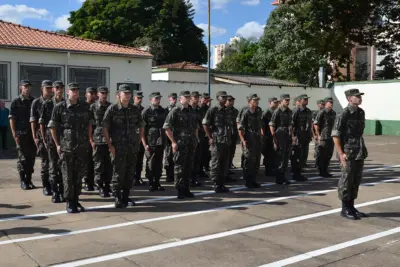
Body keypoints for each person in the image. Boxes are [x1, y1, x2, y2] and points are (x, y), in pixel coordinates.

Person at [48, 82, 92, 213]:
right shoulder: (60, 107)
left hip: (82, 146)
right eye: (72, 90)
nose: (75, 92)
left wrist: (89, 140)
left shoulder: (85, 106)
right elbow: (53, 127)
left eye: (77, 90)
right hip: (67, 147)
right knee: (67, 175)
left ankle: (76, 199)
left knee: (79, 175)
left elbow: (90, 124)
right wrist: (57, 145)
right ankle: (69, 202)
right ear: (67, 92)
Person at [102, 84, 145, 208]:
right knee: (118, 173)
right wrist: (110, 145)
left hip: (132, 146)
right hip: (118, 147)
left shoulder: (135, 109)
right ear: (119, 94)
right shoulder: (112, 109)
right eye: (124, 93)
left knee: (129, 173)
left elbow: (141, 124)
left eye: (128, 93)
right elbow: (105, 127)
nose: (127, 95)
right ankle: (117, 197)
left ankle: (126, 196)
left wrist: (138, 140)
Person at [332, 89, 368, 220]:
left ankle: (352, 207)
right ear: (349, 98)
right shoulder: (344, 113)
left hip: (358, 151)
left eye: (360, 96)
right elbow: (335, 135)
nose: (359, 98)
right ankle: (345, 208)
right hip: (347, 151)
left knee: (355, 179)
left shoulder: (360, 112)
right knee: (346, 180)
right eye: (357, 96)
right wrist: (341, 153)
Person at [163, 90, 198, 199]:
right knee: (179, 168)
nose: (187, 99)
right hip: (180, 144)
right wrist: (173, 142)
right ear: (180, 99)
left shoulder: (192, 111)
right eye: (185, 97)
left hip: (190, 144)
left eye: (188, 97)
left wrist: (196, 139)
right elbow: (167, 127)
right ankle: (180, 190)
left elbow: (196, 126)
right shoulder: (176, 111)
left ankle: (187, 189)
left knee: (188, 167)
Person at [40, 81, 65, 203]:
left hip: (65, 140)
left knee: (64, 166)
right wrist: (43, 139)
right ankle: (55, 191)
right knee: (53, 166)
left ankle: (63, 190)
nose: (59, 90)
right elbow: (42, 123)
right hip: (51, 140)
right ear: (53, 90)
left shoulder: (66, 104)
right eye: (57, 88)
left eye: (61, 88)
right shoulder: (47, 104)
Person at [203, 91, 232, 193]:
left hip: (226, 140)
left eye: (225, 97)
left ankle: (221, 183)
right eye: (222, 97)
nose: (224, 99)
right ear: (218, 98)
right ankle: (216, 183)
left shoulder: (227, 110)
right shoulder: (213, 109)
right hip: (217, 140)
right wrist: (210, 137)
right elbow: (205, 124)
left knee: (224, 163)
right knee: (216, 162)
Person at [9, 80, 36, 190]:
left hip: (32, 135)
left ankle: (29, 180)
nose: (27, 89)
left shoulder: (34, 101)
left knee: (31, 158)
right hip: (21, 134)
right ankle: (23, 181)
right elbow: (12, 119)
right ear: (21, 88)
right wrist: (14, 133)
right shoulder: (16, 102)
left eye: (29, 87)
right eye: (25, 87)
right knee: (22, 159)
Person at [141, 92, 168, 191]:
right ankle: (151, 182)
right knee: (151, 162)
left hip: (161, 140)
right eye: (156, 98)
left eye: (159, 98)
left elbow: (166, 125)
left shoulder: (163, 111)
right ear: (150, 100)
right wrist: (144, 144)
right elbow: (142, 130)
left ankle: (157, 181)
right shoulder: (146, 112)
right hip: (150, 142)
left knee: (159, 162)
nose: (158, 100)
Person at [30, 80, 53, 196]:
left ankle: (54, 184)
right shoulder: (36, 102)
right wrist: (35, 136)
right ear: (42, 89)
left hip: (54, 136)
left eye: (50, 88)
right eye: (47, 88)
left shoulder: (55, 102)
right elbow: (33, 120)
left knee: (55, 163)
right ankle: (46, 186)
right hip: (42, 136)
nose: (49, 90)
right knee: (45, 163)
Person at [89, 86, 112, 198]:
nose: (104, 94)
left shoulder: (110, 106)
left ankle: (108, 185)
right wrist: (90, 140)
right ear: (97, 94)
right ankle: (100, 186)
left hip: (109, 139)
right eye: (101, 93)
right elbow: (89, 125)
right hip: (97, 139)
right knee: (99, 165)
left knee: (109, 164)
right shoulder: (93, 107)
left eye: (105, 93)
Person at [238, 93, 263, 188]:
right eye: (254, 100)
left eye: (257, 100)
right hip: (249, 138)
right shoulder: (246, 113)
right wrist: (243, 140)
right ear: (249, 101)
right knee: (249, 160)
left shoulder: (258, 111)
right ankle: (248, 181)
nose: (256, 102)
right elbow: (241, 128)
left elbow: (260, 125)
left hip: (257, 138)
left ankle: (254, 180)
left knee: (256, 160)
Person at [269, 94, 293, 185]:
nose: (287, 102)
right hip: (280, 135)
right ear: (281, 101)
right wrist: (274, 138)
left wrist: (292, 136)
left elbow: (291, 125)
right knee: (280, 157)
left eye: (288, 100)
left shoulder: (289, 111)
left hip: (287, 135)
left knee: (286, 157)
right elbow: (272, 125)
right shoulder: (277, 111)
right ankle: (279, 178)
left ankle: (283, 177)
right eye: (286, 100)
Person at [314, 97, 336, 177]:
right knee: (322, 154)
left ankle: (326, 170)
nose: (331, 104)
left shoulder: (333, 113)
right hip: (323, 137)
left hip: (330, 137)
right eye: (330, 102)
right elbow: (316, 124)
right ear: (326, 103)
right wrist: (318, 135)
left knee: (329, 154)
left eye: (332, 102)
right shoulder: (322, 112)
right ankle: (321, 171)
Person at [83, 87, 98, 191]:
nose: (92, 95)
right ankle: (87, 182)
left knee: (94, 161)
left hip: (95, 136)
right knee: (86, 161)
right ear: (86, 94)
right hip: (83, 137)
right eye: (90, 93)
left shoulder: (97, 106)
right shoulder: (82, 106)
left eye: (94, 93)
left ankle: (92, 181)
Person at [262, 97, 279, 176]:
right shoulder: (267, 112)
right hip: (268, 135)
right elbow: (262, 125)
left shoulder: (277, 111)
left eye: (277, 102)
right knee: (268, 153)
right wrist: (263, 135)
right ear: (270, 103)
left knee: (274, 153)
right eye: (274, 102)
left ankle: (273, 168)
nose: (276, 104)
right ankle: (268, 170)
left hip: (275, 135)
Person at [133, 90, 147, 186]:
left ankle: (138, 177)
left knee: (140, 159)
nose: (140, 100)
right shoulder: (130, 109)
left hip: (141, 137)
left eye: (141, 98)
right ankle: (133, 178)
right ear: (134, 98)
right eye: (138, 98)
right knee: (132, 160)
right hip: (132, 138)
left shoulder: (143, 109)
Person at [189, 91, 203, 187]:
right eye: (194, 97)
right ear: (190, 98)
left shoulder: (199, 110)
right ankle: (188, 179)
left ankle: (194, 178)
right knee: (189, 159)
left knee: (197, 159)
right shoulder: (187, 109)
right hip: (188, 138)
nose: (196, 99)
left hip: (198, 138)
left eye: (197, 97)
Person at [163, 92, 178, 183]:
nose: (174, 100)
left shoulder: (177, 109)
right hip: (168, 136)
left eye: (175, 98)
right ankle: (169, 175)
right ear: (169, 98)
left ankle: (174, 173)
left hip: (175, 135)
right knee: (168, 156)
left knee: (175, 156)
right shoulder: (166, 110)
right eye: (172, 98)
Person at [199, 93, 212, 175]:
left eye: (207, 99)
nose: (206, 100)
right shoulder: (198, 108)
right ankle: (199, 169)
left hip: (206, 133)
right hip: (199, 132)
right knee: (199, 153)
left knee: (206, 152)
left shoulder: (208, 109)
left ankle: (205, 166)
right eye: (204, 99)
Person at [226, 95, 239, 171]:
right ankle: (226, 168)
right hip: (226, 135)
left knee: (232, 151)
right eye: (229, 101)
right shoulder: (223, 110)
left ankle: (229, 165)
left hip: (233, 134)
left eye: (232, 101)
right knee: (226, 153)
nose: (231, 102)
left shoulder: (235, 111)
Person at [312, 100, 325, 167]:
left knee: (323, 149)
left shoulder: (325, 112)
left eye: (323, 104)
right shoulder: (315, 113)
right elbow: (312, 125)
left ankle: (321, 163)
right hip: (318, 133)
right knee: (318, 148)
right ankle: (317, 163)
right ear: (318, 105)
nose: (323, 105)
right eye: (321, 104)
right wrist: (314, 134)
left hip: (324, 133)